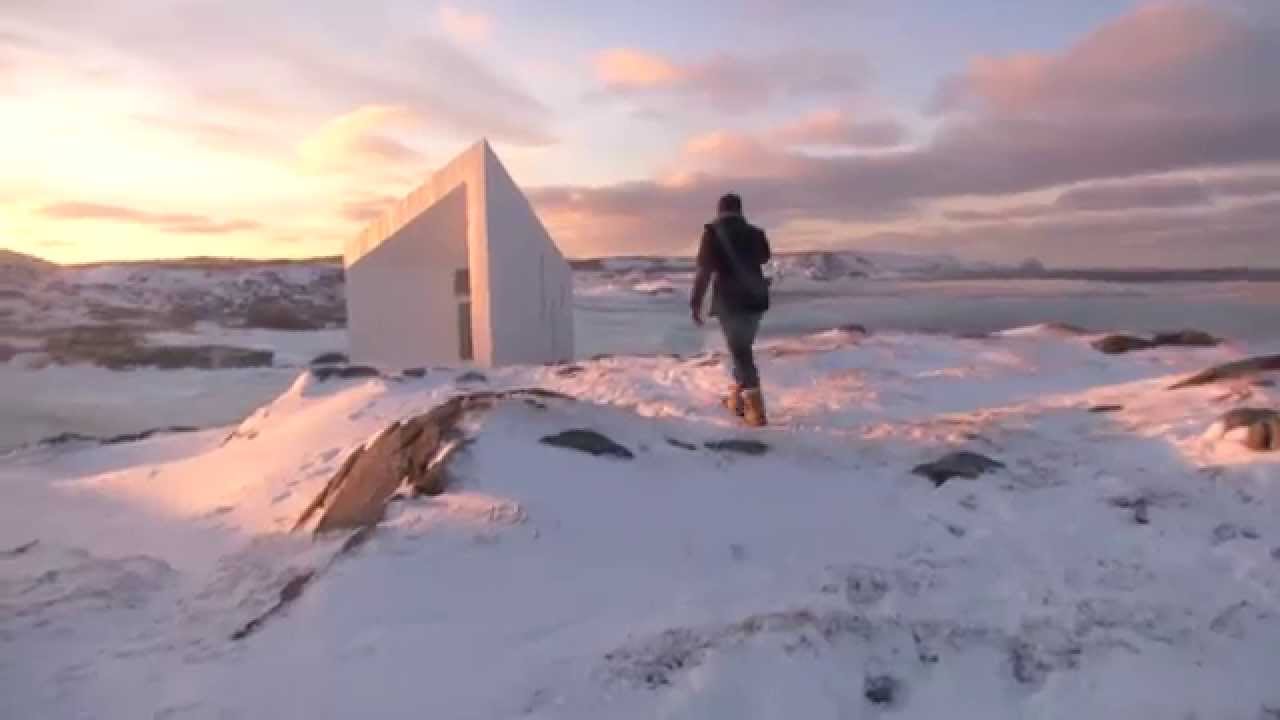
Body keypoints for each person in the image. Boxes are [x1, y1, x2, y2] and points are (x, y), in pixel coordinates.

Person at [691, 193, 772, 426]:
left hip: (730, 302)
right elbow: (764, 258)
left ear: (719, 210)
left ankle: (756, 410)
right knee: (742, 348)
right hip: (756, 300)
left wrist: (696, 303)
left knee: (740, 352)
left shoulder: (712, 233)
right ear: (740, 210)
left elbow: (704, 272)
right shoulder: (756, 234)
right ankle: (737, 400)